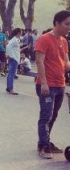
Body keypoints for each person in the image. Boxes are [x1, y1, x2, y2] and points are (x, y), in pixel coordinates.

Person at [34, 10, 70, 159]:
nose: (69, 27)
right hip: (47, 85)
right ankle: (43, 147)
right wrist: (43, 83)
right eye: (67, 24)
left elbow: (66, 62)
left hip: (60, 84)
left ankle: (45, 141)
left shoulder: (64, 41)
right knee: (46, 116)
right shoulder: (44, 39)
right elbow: (39, 61)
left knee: (53, 116)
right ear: (57, 23)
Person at [5, 28, 22, 95]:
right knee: (12, 74)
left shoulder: (15, 39)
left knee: (10, 73)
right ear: (18, 33)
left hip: (14, 57)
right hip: (14, 58)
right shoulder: (14, 40)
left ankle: (8, 87)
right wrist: (9, 55)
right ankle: (10, 88)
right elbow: (8, 46)